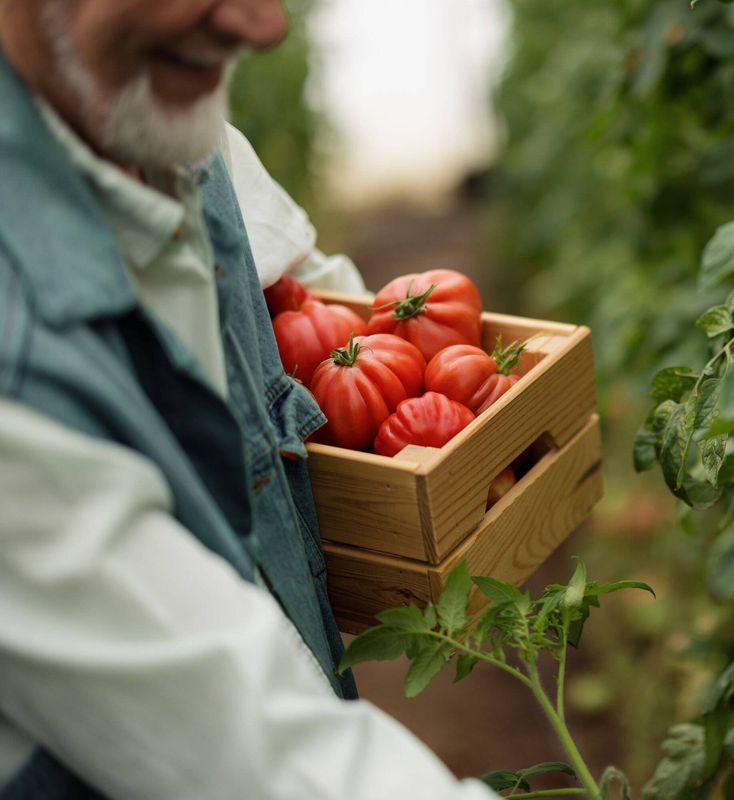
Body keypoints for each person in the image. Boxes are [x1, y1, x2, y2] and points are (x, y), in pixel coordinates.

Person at [0, 1, 497, 797]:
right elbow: (274, 762)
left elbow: (333, 297)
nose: (265, 27)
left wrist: (460, 393)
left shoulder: (173, 128)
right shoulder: (17, 373)